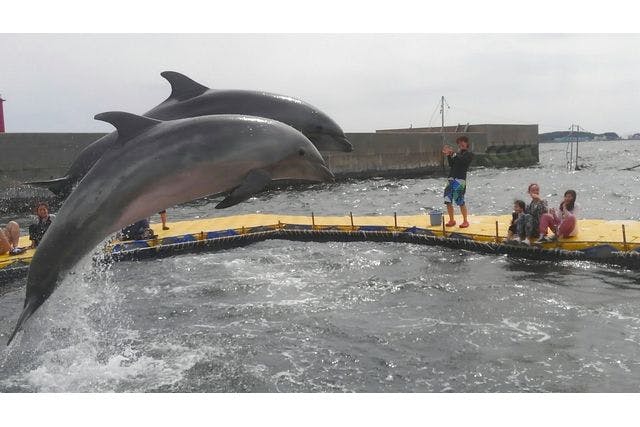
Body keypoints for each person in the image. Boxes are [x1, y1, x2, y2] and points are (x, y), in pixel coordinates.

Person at [442, 136, 474, 228]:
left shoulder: (469, 154)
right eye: (459, 143)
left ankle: (465, 221)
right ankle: (452, 220)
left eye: (463, 142)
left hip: (460, 180)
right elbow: (452, 164)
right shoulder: (457, 154)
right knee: (447, 200)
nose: (461, 144)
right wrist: (448, 155)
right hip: (451, 179)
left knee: (460, 201)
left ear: (467, 144)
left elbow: (463, 161)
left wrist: (453, 154)